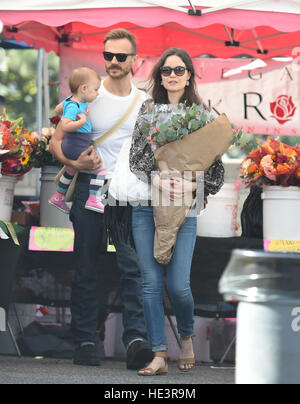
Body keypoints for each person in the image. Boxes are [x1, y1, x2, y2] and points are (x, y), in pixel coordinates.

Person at [50, 28, 152, 369]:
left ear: (134, 60)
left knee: (132, 267)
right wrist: (73, 162)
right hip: (88, 186)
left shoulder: (144, 103)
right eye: (108, 55)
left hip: (128, 193)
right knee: (86, 266)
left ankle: (136, 339)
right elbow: (55, 140)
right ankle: (85, 339)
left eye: (121, 56)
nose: (113, 62)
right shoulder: (88, 95)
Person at [129, 48, 225, 376]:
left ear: (189, 76)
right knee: (150, 284)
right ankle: (158, 354)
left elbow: (217, 172)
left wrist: (192, 186)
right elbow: (135, 160)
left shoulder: (201, 115)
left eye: (179, 70)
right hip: (146, 208)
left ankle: (186, 335)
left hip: (186, 211)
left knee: (179, 286)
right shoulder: (147, 110)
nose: (172, 75)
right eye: (167, 70)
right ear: (159, 75)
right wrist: (159, 177)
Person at [49, 67, 107, 214]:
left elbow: (57, 109)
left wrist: (63, 108)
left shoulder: (71, 100)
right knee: (100, 169)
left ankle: (58, 196)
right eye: (95, 90)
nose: (97, 93)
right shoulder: (74, 106)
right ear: (84, 88)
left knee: (71, 169)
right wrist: (80, 122)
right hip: (77, 143)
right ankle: (93, 199)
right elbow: (66, 126)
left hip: (74, 143)